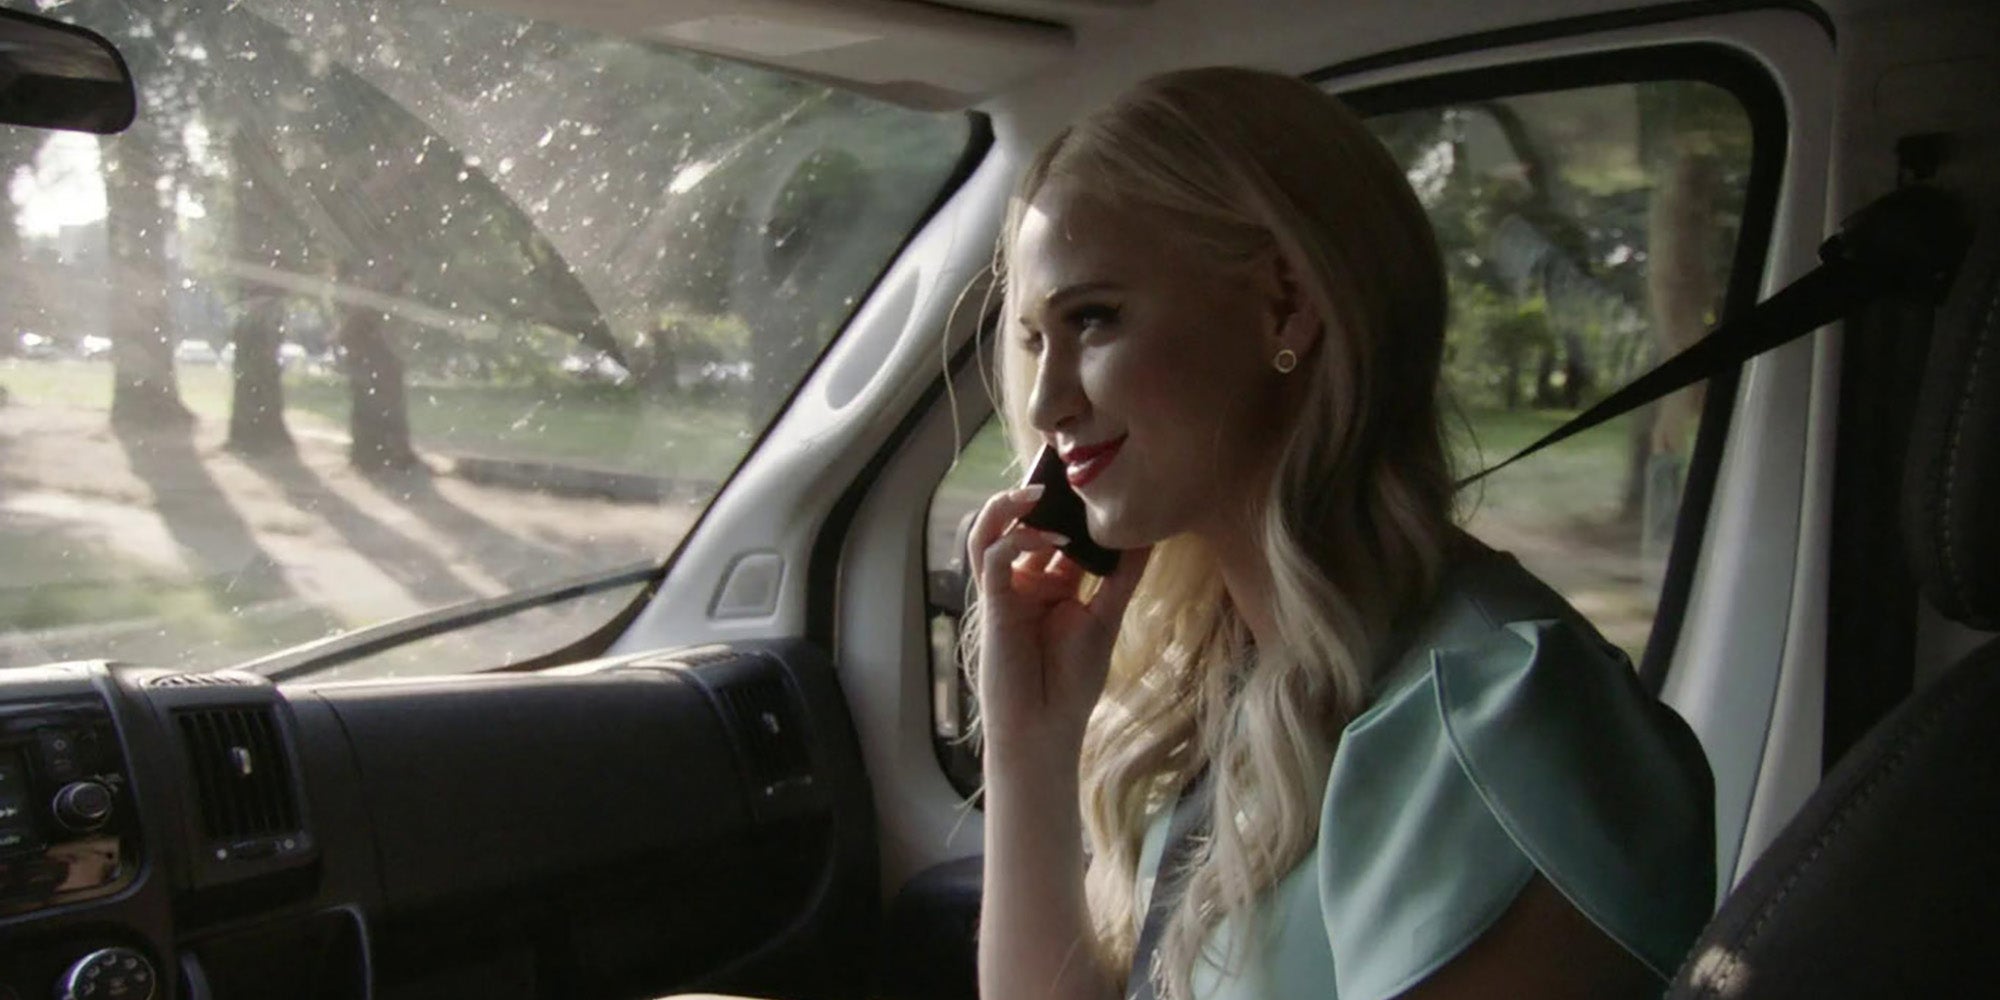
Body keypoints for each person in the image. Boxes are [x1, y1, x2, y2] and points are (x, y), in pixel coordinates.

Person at [964, 67, 1714, 1000]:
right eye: (1036, 337)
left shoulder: (1490, 721)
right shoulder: (1227, 675)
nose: (1046, 401)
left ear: (1285, 302)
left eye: (1094, 319)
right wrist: (1030, 741)